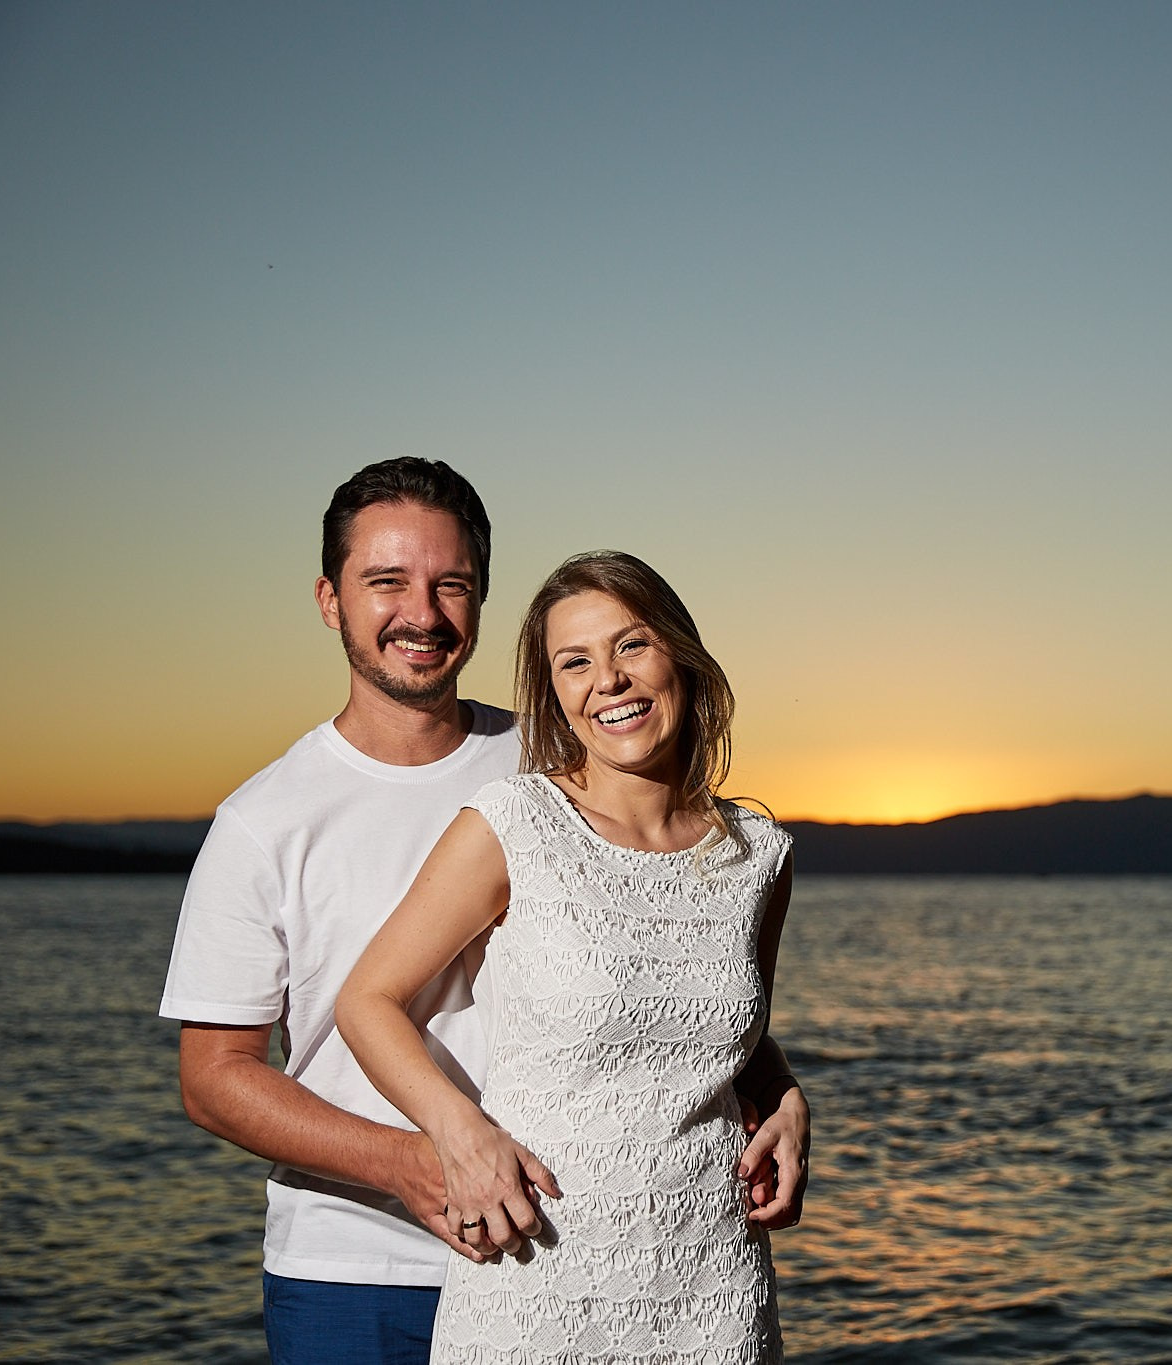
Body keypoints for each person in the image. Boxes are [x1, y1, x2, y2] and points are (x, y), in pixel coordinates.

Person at [159, 463, 807, 1365]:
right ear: (329, 599)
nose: (421, 613)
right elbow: (214, 1080)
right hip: (357, 1267)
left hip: (569, 1246)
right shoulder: (264, 821)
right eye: (386, 581)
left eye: (451, 584)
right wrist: (410, 1159)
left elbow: (675, 972)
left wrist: (778, 1088)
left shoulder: (567, 758)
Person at [338, 550, 798, 1363]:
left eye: (631, 645)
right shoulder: (514, 824)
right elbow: (366, 1001)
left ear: (681, 655)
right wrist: (461, 1135)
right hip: (538, 1276)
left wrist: (786, 1095)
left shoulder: (757, 855)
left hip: (714, 1290)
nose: (608, 680)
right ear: (553, 690)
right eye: (574, 662)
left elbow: (724, 1029)